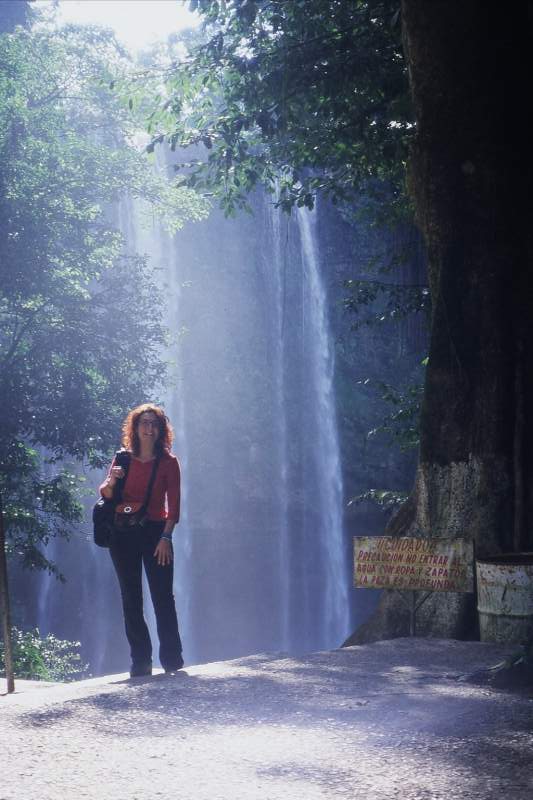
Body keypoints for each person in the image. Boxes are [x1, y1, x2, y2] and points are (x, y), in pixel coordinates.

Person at [100, 403, 183, 677]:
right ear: (135, 428)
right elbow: (106, 494)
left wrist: (166, 537)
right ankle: (141, 661)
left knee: (163, 597)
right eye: (144, 423)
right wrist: (112, 481)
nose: (149, 428)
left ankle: (172, 659)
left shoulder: (169, 462)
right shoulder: (123, 459)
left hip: (156, 533)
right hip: (123, 534)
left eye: (154, 424)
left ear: (161, 430)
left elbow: (174, 506)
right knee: (131, 598)